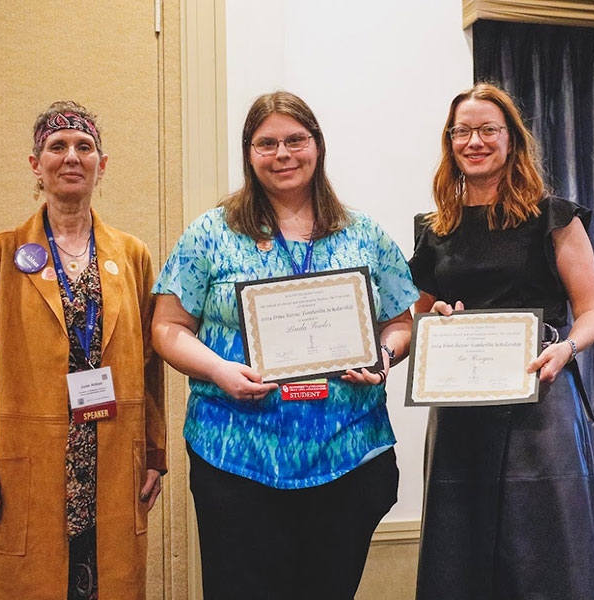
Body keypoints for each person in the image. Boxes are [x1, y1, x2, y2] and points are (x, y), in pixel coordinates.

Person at [151, 90, 418, 599]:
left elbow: (400, 322)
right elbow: (167, 327)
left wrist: (382, 360)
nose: (283, 154)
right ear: (248, 154)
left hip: (348, 458)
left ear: (317, 146)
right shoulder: (211, 233)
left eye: (296, 140)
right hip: (236, 460)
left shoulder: (363, 233)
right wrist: (218, 370)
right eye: (266, 143)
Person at [0, 100, 167, 600]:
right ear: (36, 164)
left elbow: (149, 365)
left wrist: (153, 450)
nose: (71, 156)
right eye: (57, 147)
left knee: (103, 583)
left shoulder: (132, 256)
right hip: (29, 464)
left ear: (101, 164)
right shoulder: (1, 254)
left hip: (111, 459)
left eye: (84, 147)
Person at [409, 82, 594, 599]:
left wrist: (565, 349)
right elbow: (420, 313)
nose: (474, 141)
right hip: (460, 410)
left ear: (511, 139)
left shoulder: (553, 218)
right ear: (450, 143)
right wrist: (440, 315)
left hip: (538, 401)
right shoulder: (434, 229)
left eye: (487, 130)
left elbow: (592, 313)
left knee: (544, 551)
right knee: (460, 550)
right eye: (462, 131)